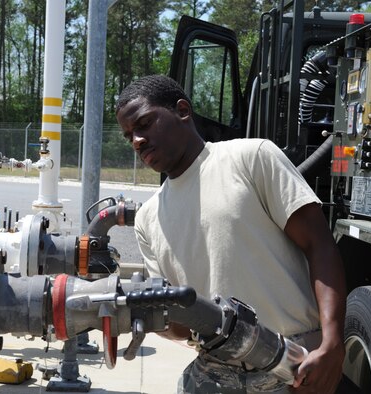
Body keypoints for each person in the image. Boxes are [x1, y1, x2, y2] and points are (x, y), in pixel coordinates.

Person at [116, 74, 346, 394]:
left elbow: (319, 244)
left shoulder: (252, 158)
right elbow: (180, 324)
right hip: (215, 369)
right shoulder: (148, 218)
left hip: (295, 369)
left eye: (144, 124)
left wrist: (333, 344)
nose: (137, 141)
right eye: (129, 136)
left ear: (183, 111)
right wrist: (143, 315)